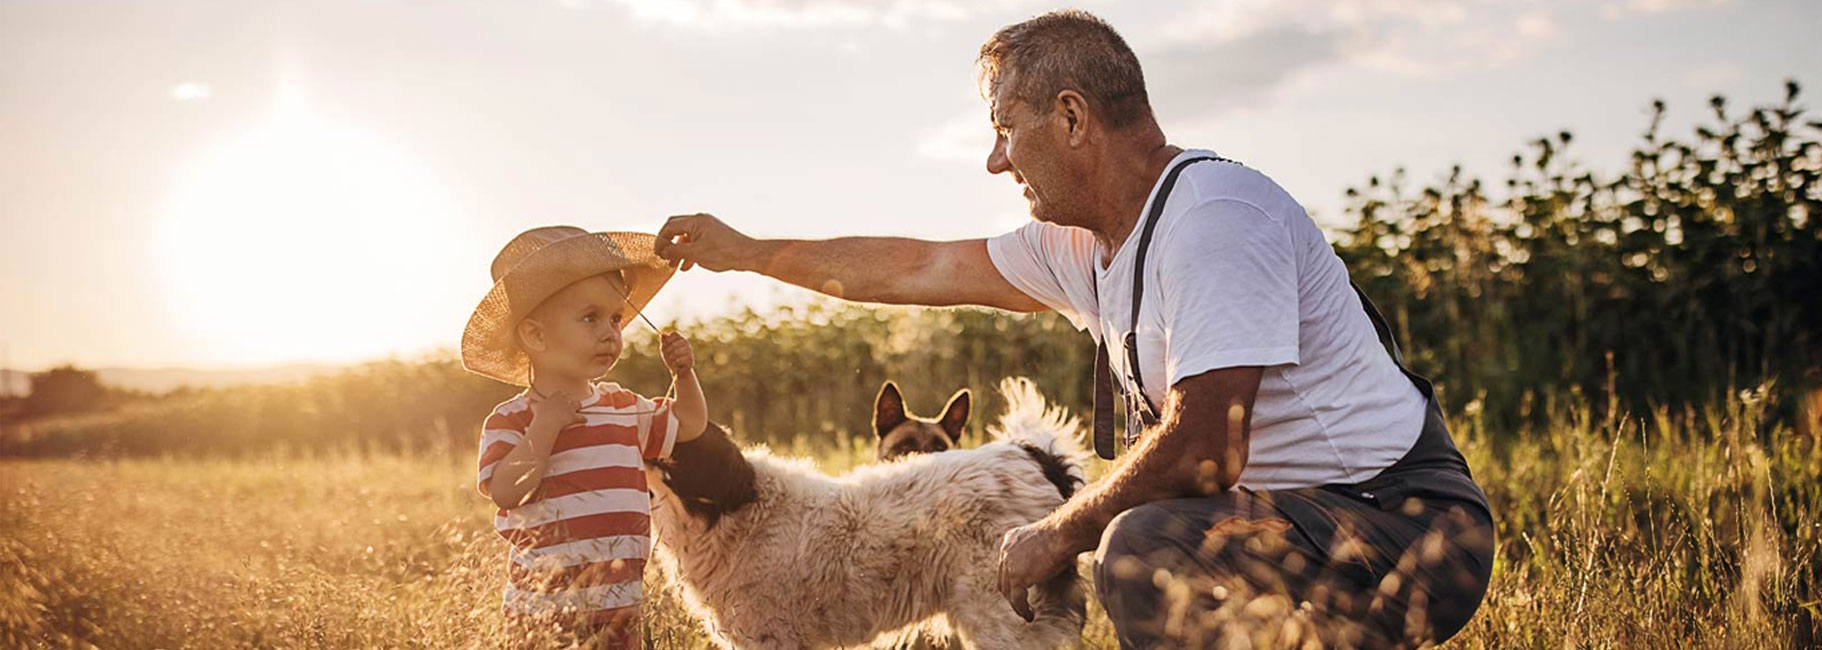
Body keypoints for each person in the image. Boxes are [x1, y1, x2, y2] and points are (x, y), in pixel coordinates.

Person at [651, 10, 1493, 649]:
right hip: (1289, 517)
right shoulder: (1083, 242)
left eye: (1004, 130)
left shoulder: (1215, 221)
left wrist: (1055, 532)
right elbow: (913, 267)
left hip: (1401, 523)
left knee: (1141, 548)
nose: (996, 159)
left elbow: (1205, 448)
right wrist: (750, 253)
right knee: (1145, 539)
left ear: (1072, 117)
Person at [461, 225, 709, 649]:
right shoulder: (513, 419)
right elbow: (505, 492)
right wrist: (546, 425)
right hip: (543, 614)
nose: (609, 333)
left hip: (620, 606)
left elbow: (689, 426)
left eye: (615, 318)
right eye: (590, 318)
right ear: (535, 335)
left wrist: (684, 375)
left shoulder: (622, 408)